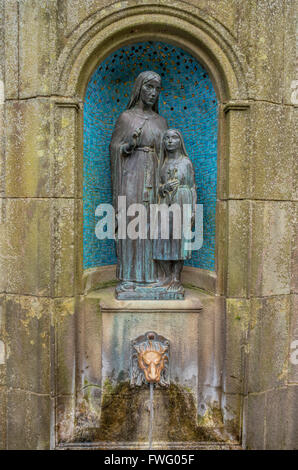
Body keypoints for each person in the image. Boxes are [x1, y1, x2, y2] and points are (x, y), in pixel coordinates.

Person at [109, 71, 168, 296]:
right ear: (139, 88)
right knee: (131, 221)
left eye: (157, 89)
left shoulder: (161, 121)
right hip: (131, 175)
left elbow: (167, 152)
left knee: (153, 223)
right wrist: (127, 146)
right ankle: (128, 277)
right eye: (149, 87)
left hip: (154, 175)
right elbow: (114, 148)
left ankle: (152, 275)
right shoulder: (126, 117)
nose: (153, 93)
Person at [153, 129, 197, 293]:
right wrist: (163, 187)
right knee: (161, 239)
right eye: (167, 138)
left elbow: (192, 187)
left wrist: (192, 210)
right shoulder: (161, 163)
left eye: (174, 138)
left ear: (180, 142)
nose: (170, 141)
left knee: (179, 243)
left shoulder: (186, 162)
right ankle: (165, 276)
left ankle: (176, 279)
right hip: (165, 203)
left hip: (182, 201)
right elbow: (156, 187)